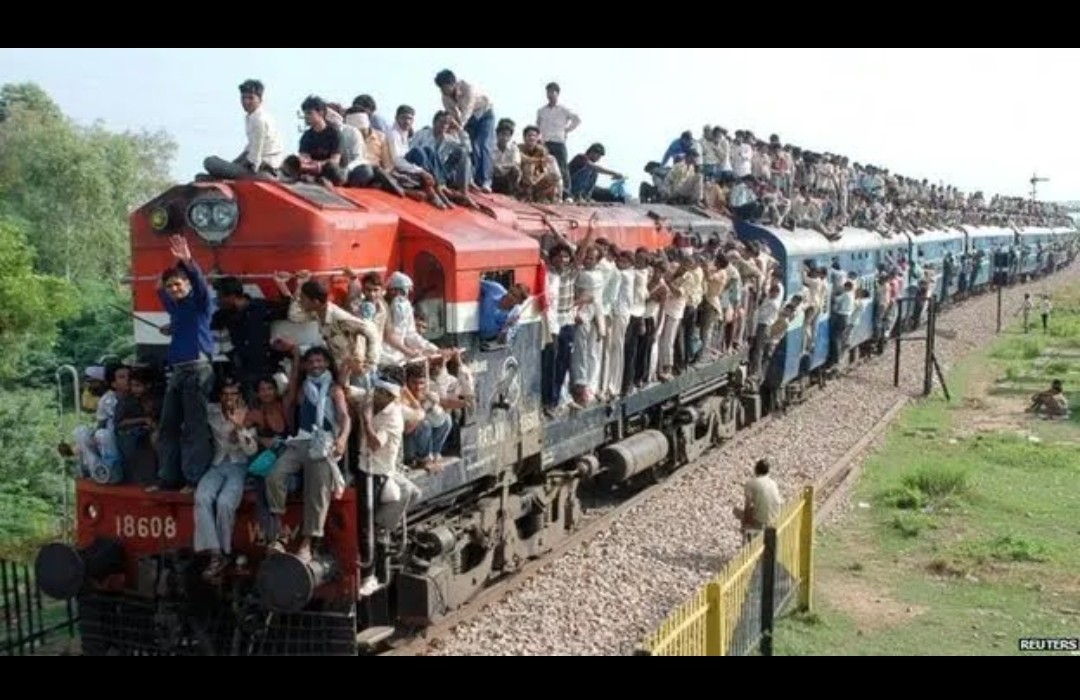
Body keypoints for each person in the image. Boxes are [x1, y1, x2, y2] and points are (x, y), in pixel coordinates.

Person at [733, 459, 783, 541]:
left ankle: (751, 536)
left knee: (742, 513)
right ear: (768, 471)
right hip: (776, 518)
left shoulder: (751, 483)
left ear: (755, 470)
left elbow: (747, 505)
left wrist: (745, 522)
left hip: (761, 521)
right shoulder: (773, 483)